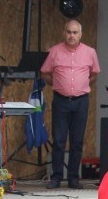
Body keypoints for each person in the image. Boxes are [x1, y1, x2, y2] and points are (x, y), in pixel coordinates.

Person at [41, 19, 100, 189]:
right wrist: (58, 83)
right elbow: (44, 73)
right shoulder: (54, 52)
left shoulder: (90, 52)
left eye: (75, 32)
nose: (71, 35)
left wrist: (82, 85)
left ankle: (74, 178)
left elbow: (94, 74)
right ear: (63, 32)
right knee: (59, 140)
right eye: (69, 32)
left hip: (81, 101)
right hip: (60, 100)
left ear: (80, 34)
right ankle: (56, 177)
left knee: (77, 141)